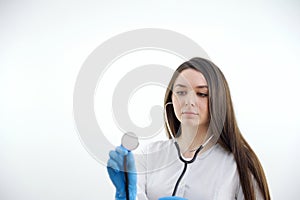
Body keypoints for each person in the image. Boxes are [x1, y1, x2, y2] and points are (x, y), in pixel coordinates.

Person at [107, 57, 271, 200]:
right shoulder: (150, 156)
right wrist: (126, 196)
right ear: (171, 97)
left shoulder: (238, 164)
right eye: (181, 92)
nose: (189, 101)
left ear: (218, 101)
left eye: (201, 94)